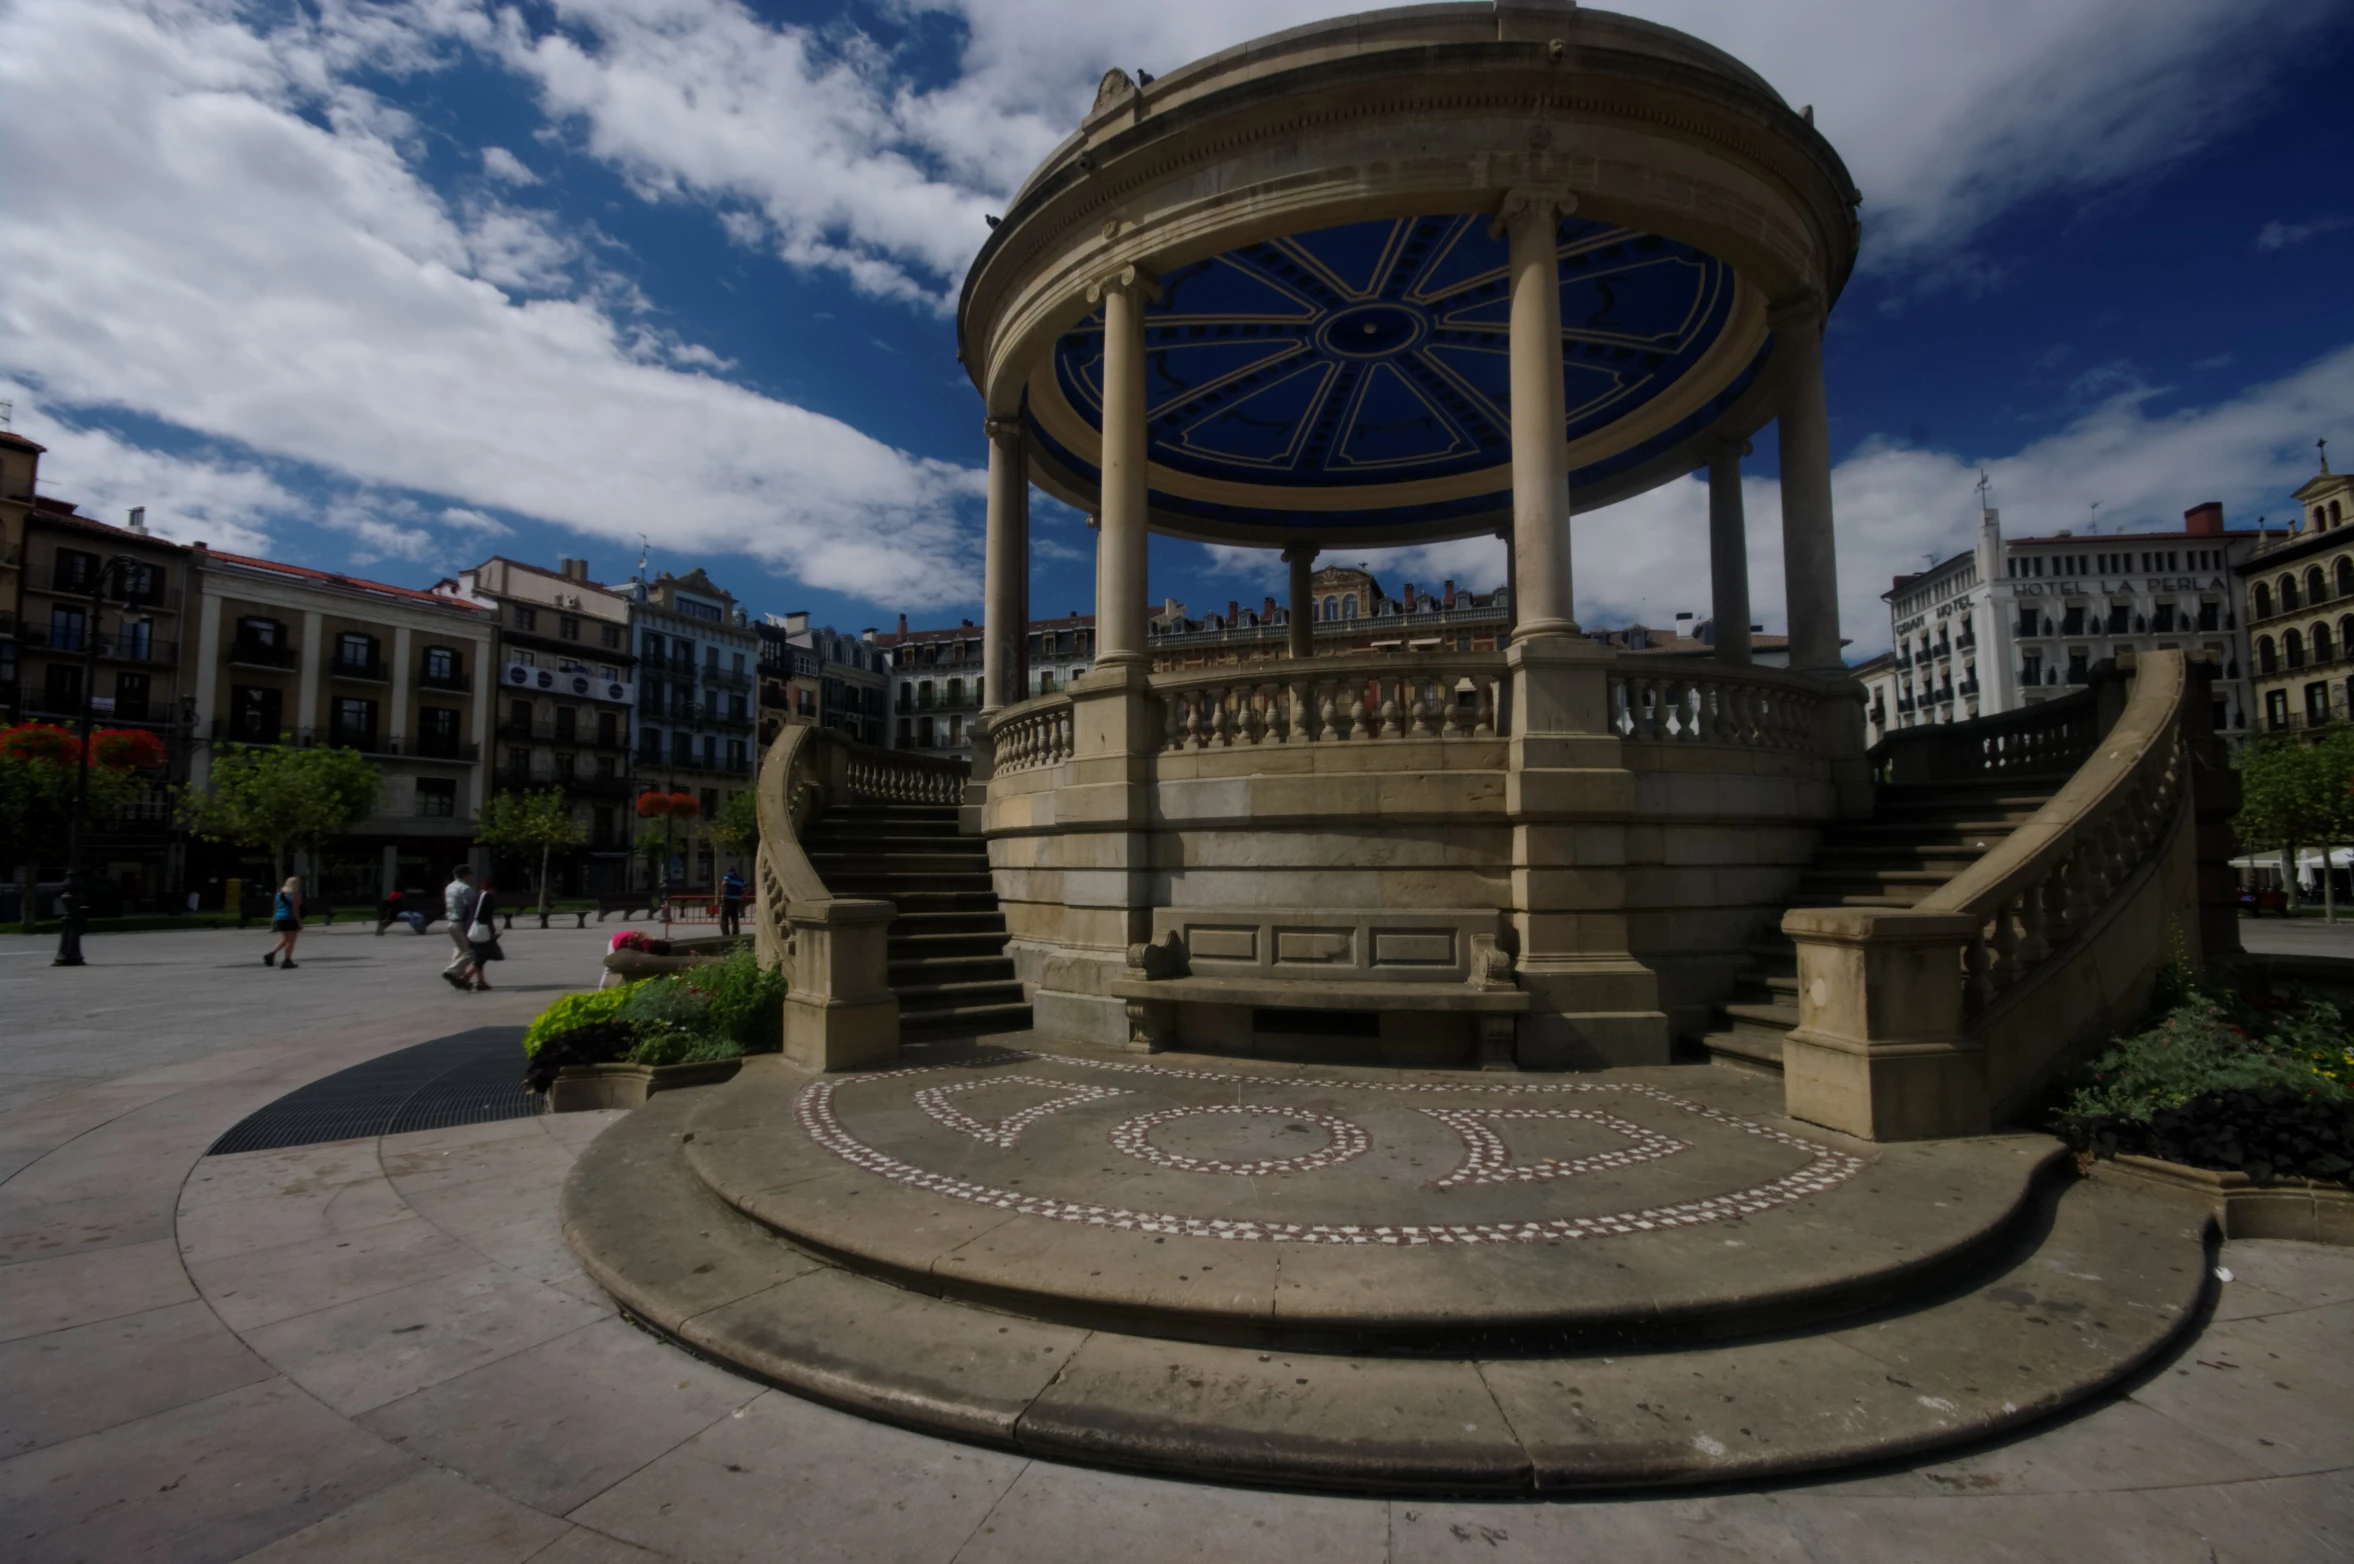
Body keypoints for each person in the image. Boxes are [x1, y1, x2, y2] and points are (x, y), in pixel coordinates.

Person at [459, 877, 505, 991]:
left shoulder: (475, 896)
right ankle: (466, 976)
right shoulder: (488, 898)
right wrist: (493, 932)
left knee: (479, 954)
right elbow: (487, 917)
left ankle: (481, 981)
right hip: (482, 930)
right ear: (493, 889)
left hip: (470, 929)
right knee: (486, 954)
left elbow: (466, 913)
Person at [440, 864, 477, 989]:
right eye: (470, 874)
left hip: (451, 921)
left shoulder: (449, 887)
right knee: (472, 952)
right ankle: (451, 971)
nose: (471, 877)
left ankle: (457, 978)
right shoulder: (465, 889)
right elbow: (473, 907)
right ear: (465, 875)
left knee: (459, 949)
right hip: (461, 923)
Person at [263, 877, 303, 969]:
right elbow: (295, 909)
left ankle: (271, 954)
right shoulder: (294, 894)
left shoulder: (279, 894)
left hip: (280, 917)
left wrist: (274, 919)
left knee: (286, 939)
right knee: (291, 940)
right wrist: (299, 922)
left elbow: (275, 907)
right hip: (290, 918)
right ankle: (287, 960)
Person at [718, 866, 746, 938]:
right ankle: (735, 934)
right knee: (734, 917)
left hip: (728, 899)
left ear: (729, 871)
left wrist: (723, 894)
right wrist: (742, 895)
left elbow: (724, 883)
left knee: (724, 918)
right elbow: (748, 887)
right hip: (737, 900)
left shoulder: (728, 876)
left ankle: (726, 935)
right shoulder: (740, 879)